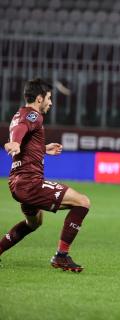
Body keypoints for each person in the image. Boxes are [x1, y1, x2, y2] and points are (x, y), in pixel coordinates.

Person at [0, 78, 91, 273]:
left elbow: (23, 134)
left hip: (17, 183)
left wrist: (43, 148)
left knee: (34, 223)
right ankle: (61, 256)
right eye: (49, 98)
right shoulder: (34, 116)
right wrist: (13, 142)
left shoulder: (19, 114)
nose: (51, 102)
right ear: (39, 98)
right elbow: (19, 131)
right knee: (82, 202)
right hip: (30, 183)